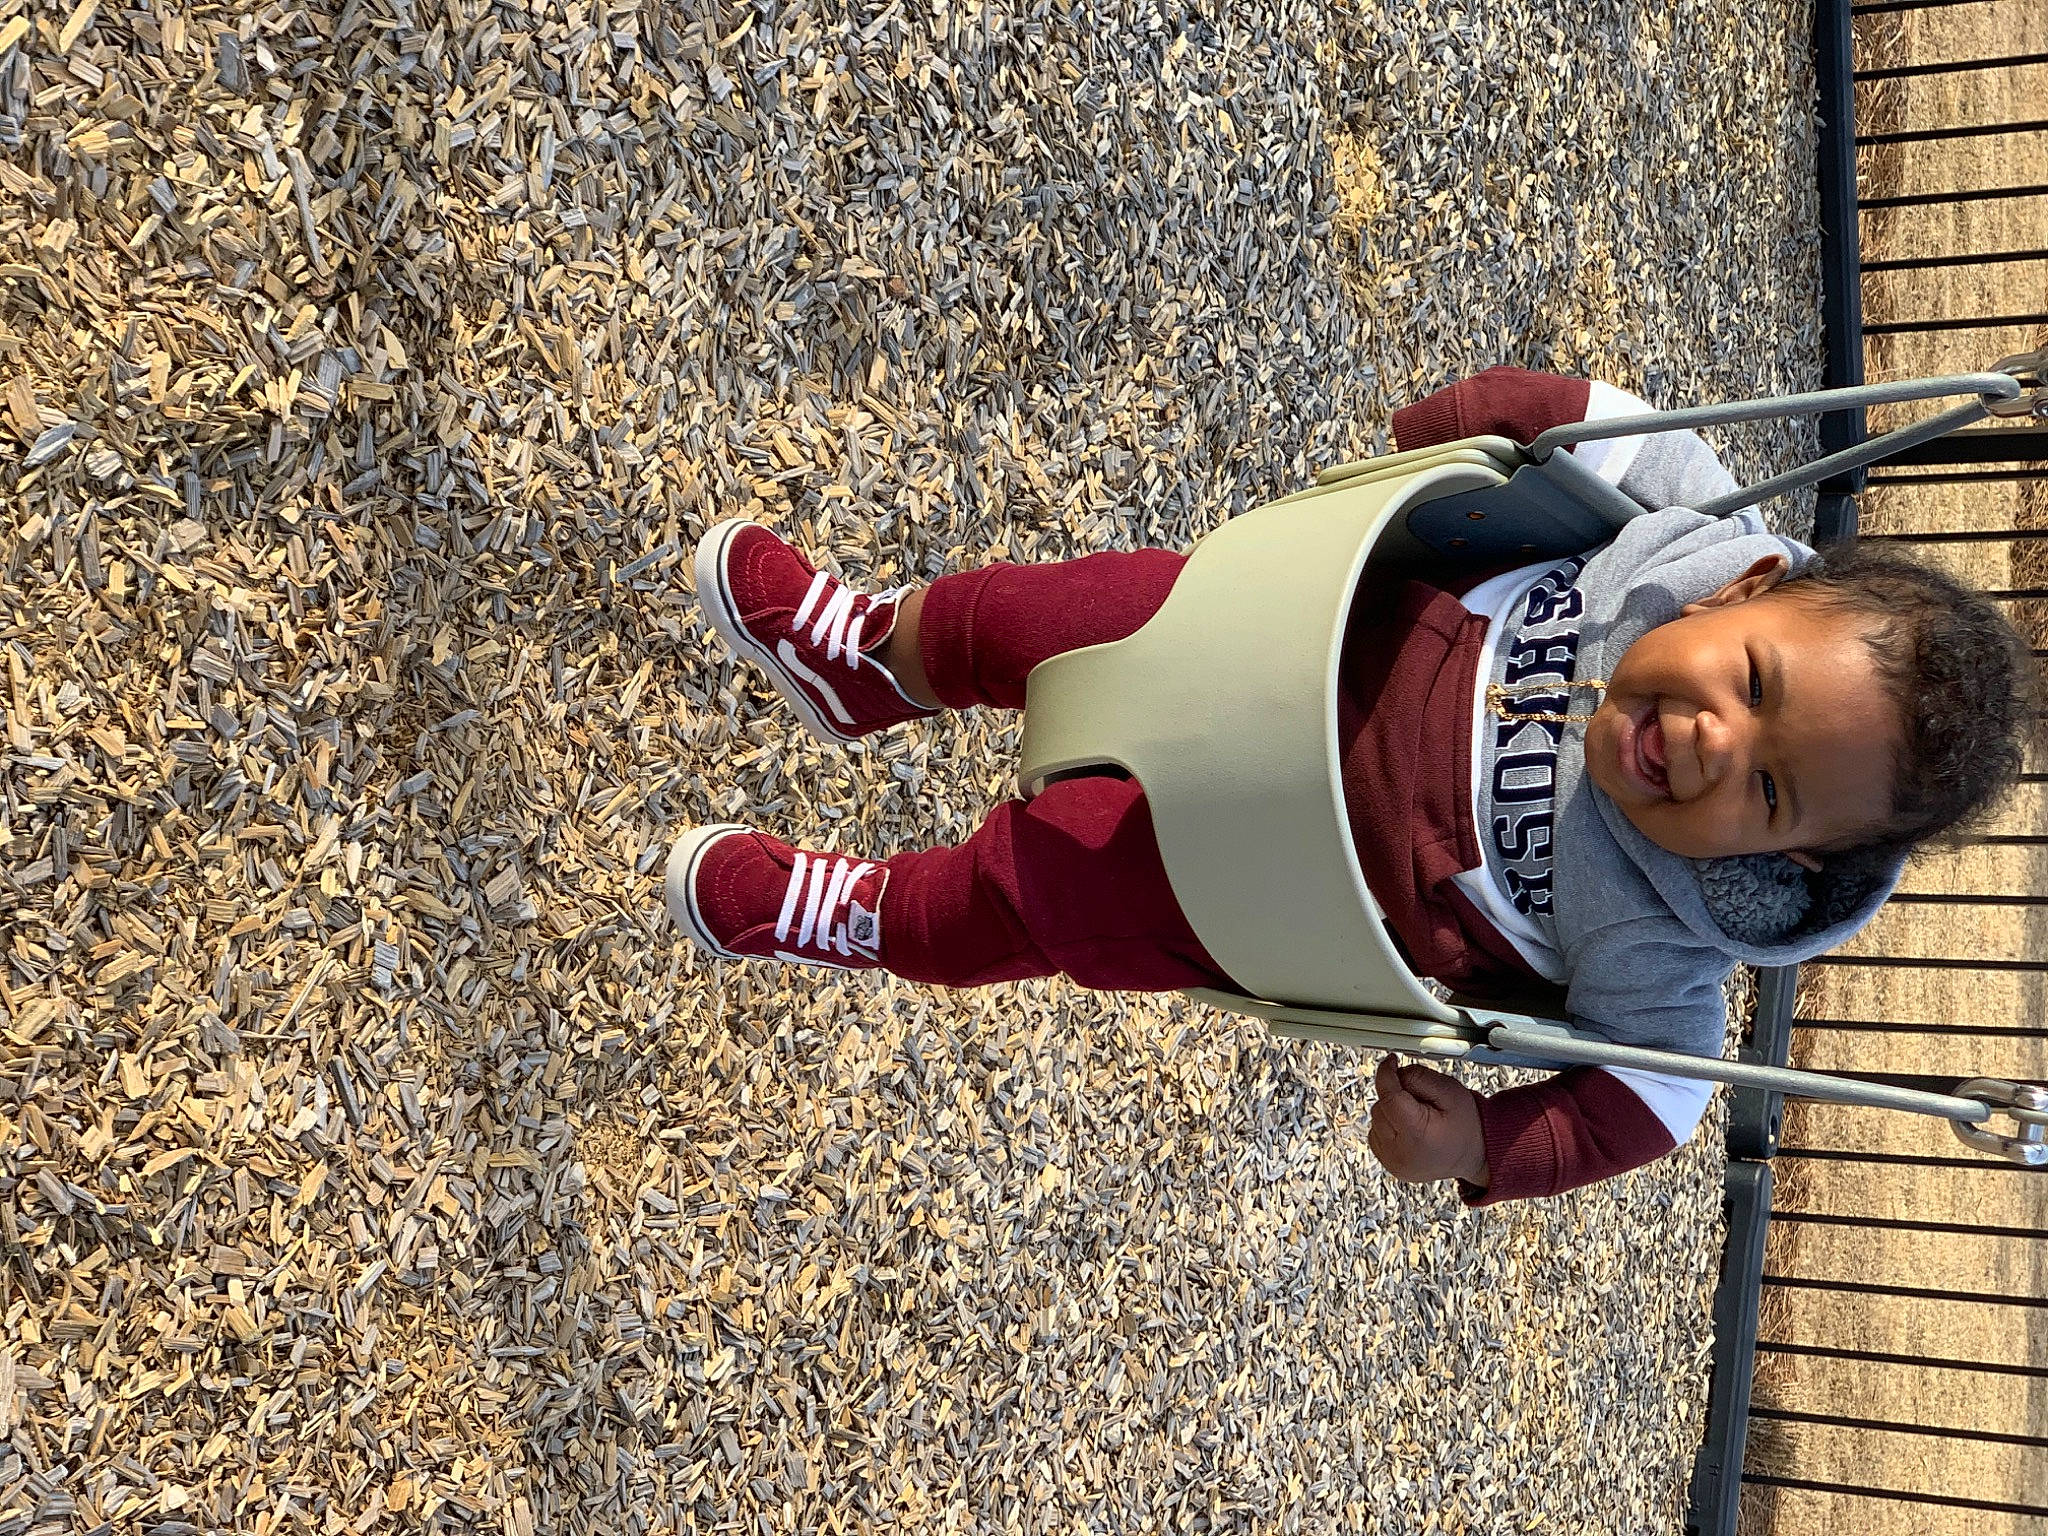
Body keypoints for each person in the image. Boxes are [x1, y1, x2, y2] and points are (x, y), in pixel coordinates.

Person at [665, 369, 2032, 1203]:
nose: (1718, 742)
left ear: (1784, 866)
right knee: (1017, 619)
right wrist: (1491, 419)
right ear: (1748, 589)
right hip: (1255, 630)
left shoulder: (1671, 938)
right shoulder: (1688, 536)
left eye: (1775, 795)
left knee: (1022, 896)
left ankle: (858, 913)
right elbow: (1610, 426)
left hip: (1242, 876)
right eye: (1751, 678)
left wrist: (1480, 1149)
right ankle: (870, 659)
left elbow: (1653, 1105)